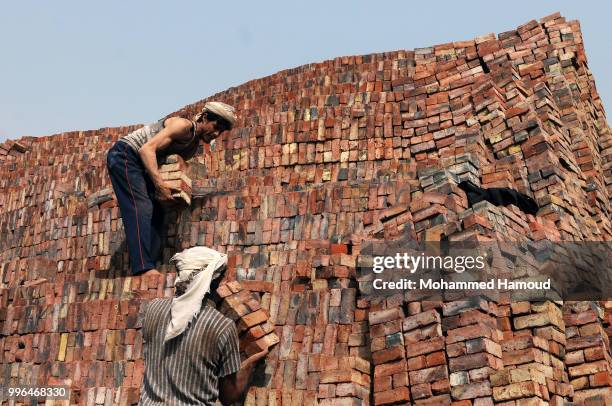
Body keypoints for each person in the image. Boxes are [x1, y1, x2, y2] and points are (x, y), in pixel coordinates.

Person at [106, 102, 237, 276]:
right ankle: (143, 268)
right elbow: (146, 150)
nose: (216, 133)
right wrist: (159, 185)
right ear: (205, 118)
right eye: (215, 127)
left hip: (143, 166)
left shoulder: (191, 147)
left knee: (158, 213)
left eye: (220, 131)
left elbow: (167, 165)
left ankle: (150, 264)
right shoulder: (183, 126)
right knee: (141, 207)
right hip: (125, 155)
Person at [139, 246, 268, 405]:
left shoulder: (153, 309)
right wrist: (250, 365)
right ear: (215, 282)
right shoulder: (221, 326)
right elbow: (230, 398)